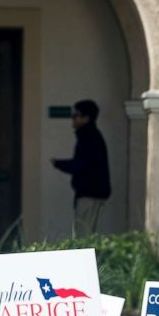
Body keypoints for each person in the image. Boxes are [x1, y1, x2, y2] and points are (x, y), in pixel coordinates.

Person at [52, 99, 110, 237]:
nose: (73, 118)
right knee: (89, 234)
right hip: (95, 192)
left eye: (76, 115)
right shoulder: (92, 136)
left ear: (86, 118)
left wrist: (59, 164)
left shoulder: (88, 137)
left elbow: (82, 164)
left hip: (89, 193)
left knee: (83, 236)